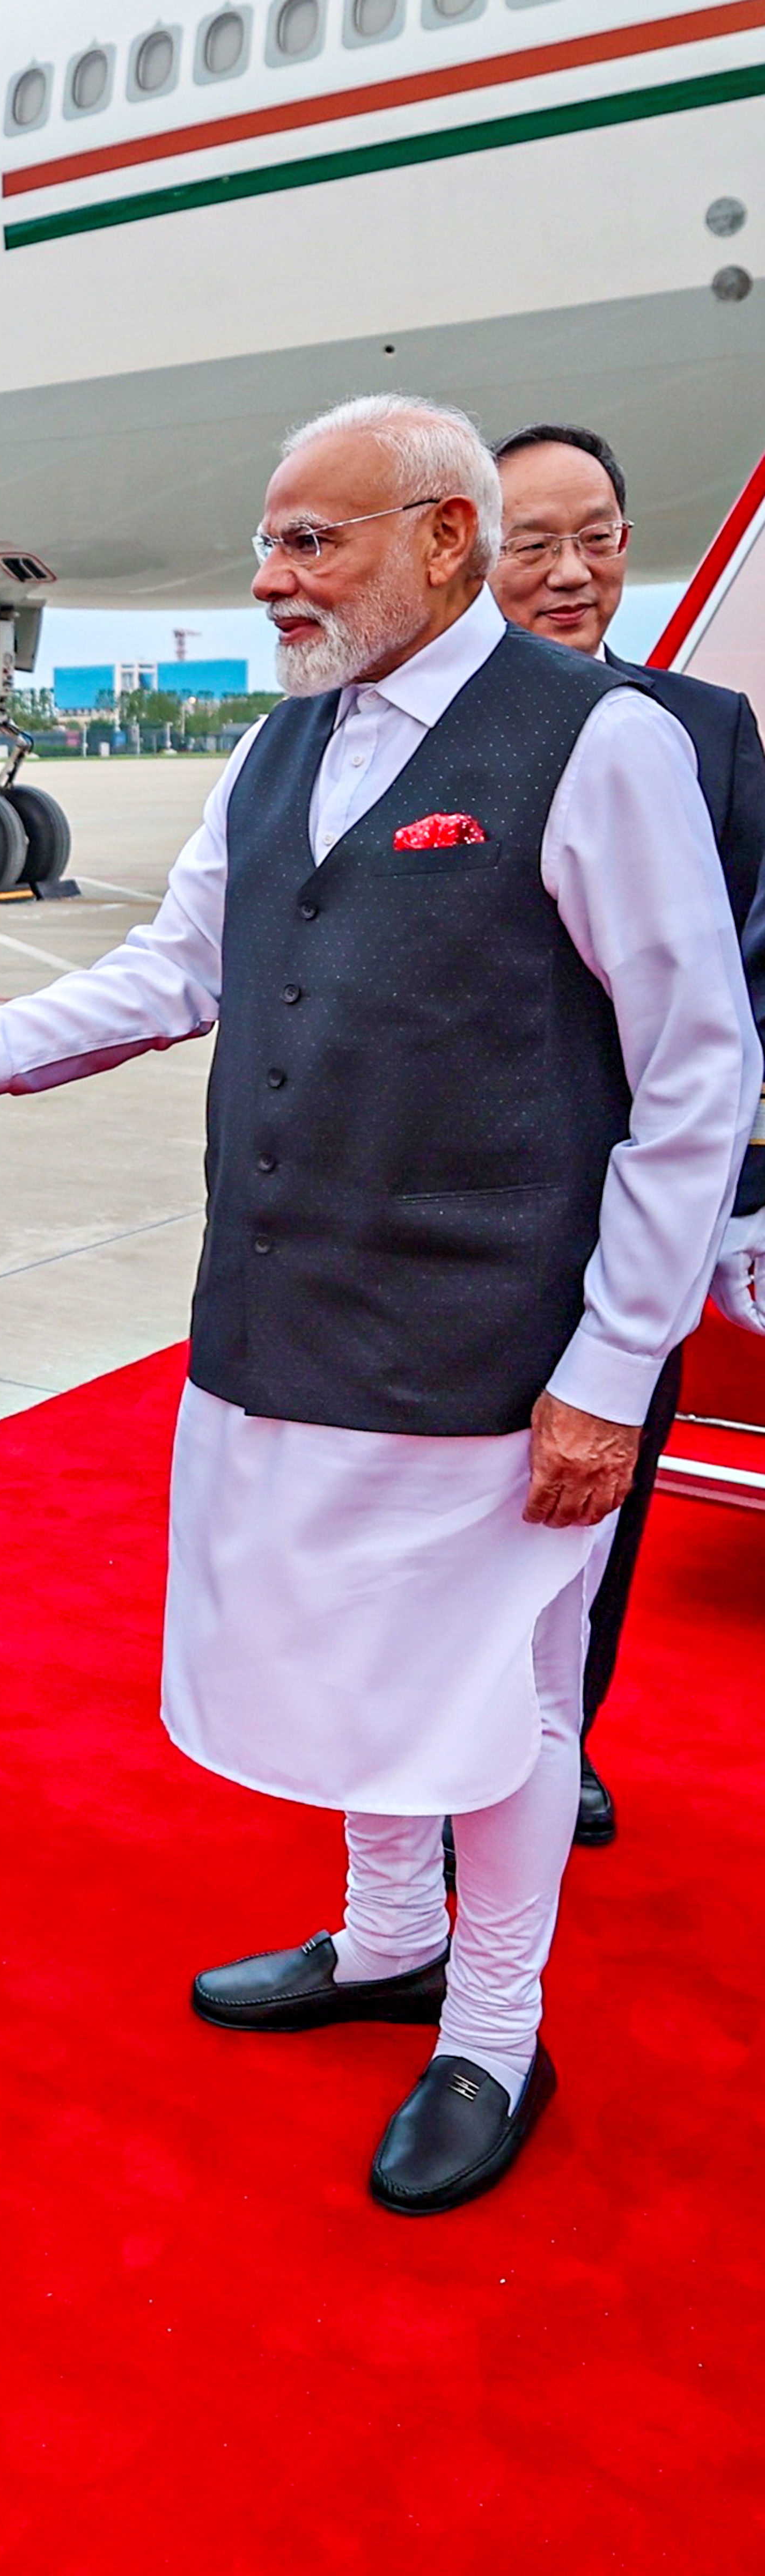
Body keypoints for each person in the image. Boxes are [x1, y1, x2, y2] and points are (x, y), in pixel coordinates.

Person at [0, 395, 757, 2214]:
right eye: (268, 540)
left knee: (500, 1693)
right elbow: (162, 974)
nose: (268, 576)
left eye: (308, 541)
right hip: (292, 1320)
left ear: (441, 540)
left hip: (498, 1351)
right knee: (362, 1662)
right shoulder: (277, 755)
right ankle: (377, 1940)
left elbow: (692, 1073)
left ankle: (489, 2029)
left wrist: (608, 1366)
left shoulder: (590, 745)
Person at [489, 421, 765, 1843]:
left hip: (632, 1214)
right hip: (468, 1224)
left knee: (604, 1496)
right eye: (529, 543)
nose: (567, 573)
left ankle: (560, 1738)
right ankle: (426, 1773)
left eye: (592, 537)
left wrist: (732, 1187)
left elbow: (744, 967)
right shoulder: (425, 738)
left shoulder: (698, 730)